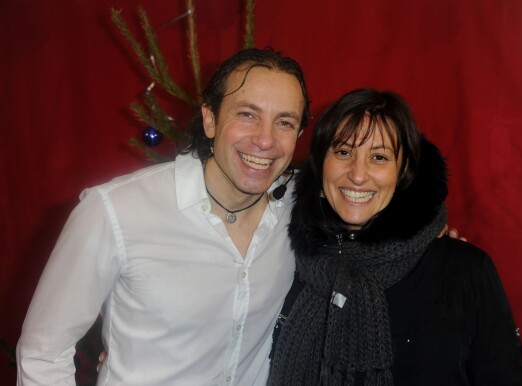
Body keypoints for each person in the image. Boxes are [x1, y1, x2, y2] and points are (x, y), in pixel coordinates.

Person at [17, 47, 310, 385]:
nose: (265, 140)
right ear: (210, 119)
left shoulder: (299, 206)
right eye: (247, 114)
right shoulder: (115, 210)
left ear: (299, 135)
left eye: (284, 122)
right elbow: (43, 353)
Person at [268, 89, 522, 385]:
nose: (358, 175)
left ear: (404, 170)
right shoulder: (290, 261)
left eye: (379, 157)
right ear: (320, 164)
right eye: (343, 152)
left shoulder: (462, 271)